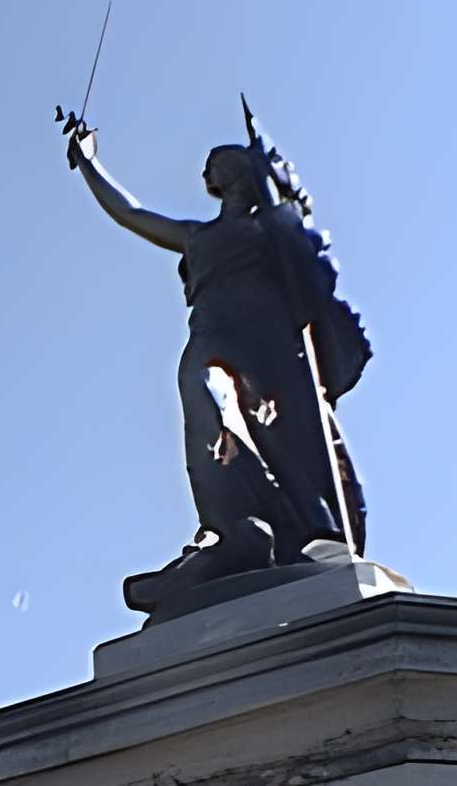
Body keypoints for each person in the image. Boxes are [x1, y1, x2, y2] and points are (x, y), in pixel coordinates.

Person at [63, 114, 371, 610]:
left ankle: (305, 530)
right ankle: (233, 527)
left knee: (287, 434)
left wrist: (287, 209)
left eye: (226, 160)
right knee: (200, 391)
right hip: (214, 332)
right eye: (213, 164)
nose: (215, 167)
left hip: (269, 337)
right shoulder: (196, 235)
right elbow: (131, 213)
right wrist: (90, 164)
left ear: (249, 173)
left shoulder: (271, 227)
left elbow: (312, 267)